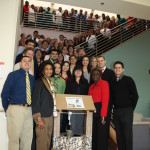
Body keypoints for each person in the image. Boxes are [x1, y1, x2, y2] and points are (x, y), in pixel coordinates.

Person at [1, 56, 35, 150]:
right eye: (24, 61)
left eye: (29, 61)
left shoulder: (32, 78)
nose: (27, 62)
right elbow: (4, 94)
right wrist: (7, 109)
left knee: (27, 139)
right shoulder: (13, 75)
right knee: (14, 139)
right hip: (16, 109)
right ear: (20, 63)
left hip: (29, 110)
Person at [112, 61, 139, 150]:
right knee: (119, 135)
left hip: (127, 111)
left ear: (123, 69)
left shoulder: (128, 79)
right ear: (113, 69)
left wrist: (131, 109)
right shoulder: (112, 82)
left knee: (127, 135)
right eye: (116, 68)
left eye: (119, 67)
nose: (117, 69)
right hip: (116, 112)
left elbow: (135, 95)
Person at [32, 61, 55, 150]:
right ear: (43, 71)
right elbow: (36, 100)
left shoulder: (49, 82)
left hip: (49, 115)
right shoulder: (39, 82)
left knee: (47, 141)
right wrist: (38, 118)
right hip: (42, 117)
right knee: (41, 142)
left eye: (50, 69)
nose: (49, 71)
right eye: (46, 69)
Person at [97, 55, 115, 150]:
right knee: (97, 127)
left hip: (107, 104)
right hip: (96, 104)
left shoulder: (111, 73)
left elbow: (112, 89)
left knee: (104, 127)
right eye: (98, 61)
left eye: (101, 61)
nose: (100, 62)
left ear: (105, 61)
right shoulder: (95, 73)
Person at [88, 67, 109, 150]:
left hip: (101, 111)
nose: (95, 76)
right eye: (93, 75)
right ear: (92, 76)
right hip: (92, 111)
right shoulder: (91, 86)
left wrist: (103, 115)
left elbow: (105, 99)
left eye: (97, 74)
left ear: (100, 75)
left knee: (101, 135)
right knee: (94, 134)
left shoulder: (104, 83)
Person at [65, 65, 89, 135]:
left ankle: (79, 136)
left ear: (82, 72)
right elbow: (67, 92)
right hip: (71, 104)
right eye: (76, 70)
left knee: (80, 121)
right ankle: (72, 136)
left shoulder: (85, 81)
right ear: (73, 72)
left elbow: (87, 94)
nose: (78, 72)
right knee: (72, 121)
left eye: (80, 71)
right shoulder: (69, 81)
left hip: (81, 105)